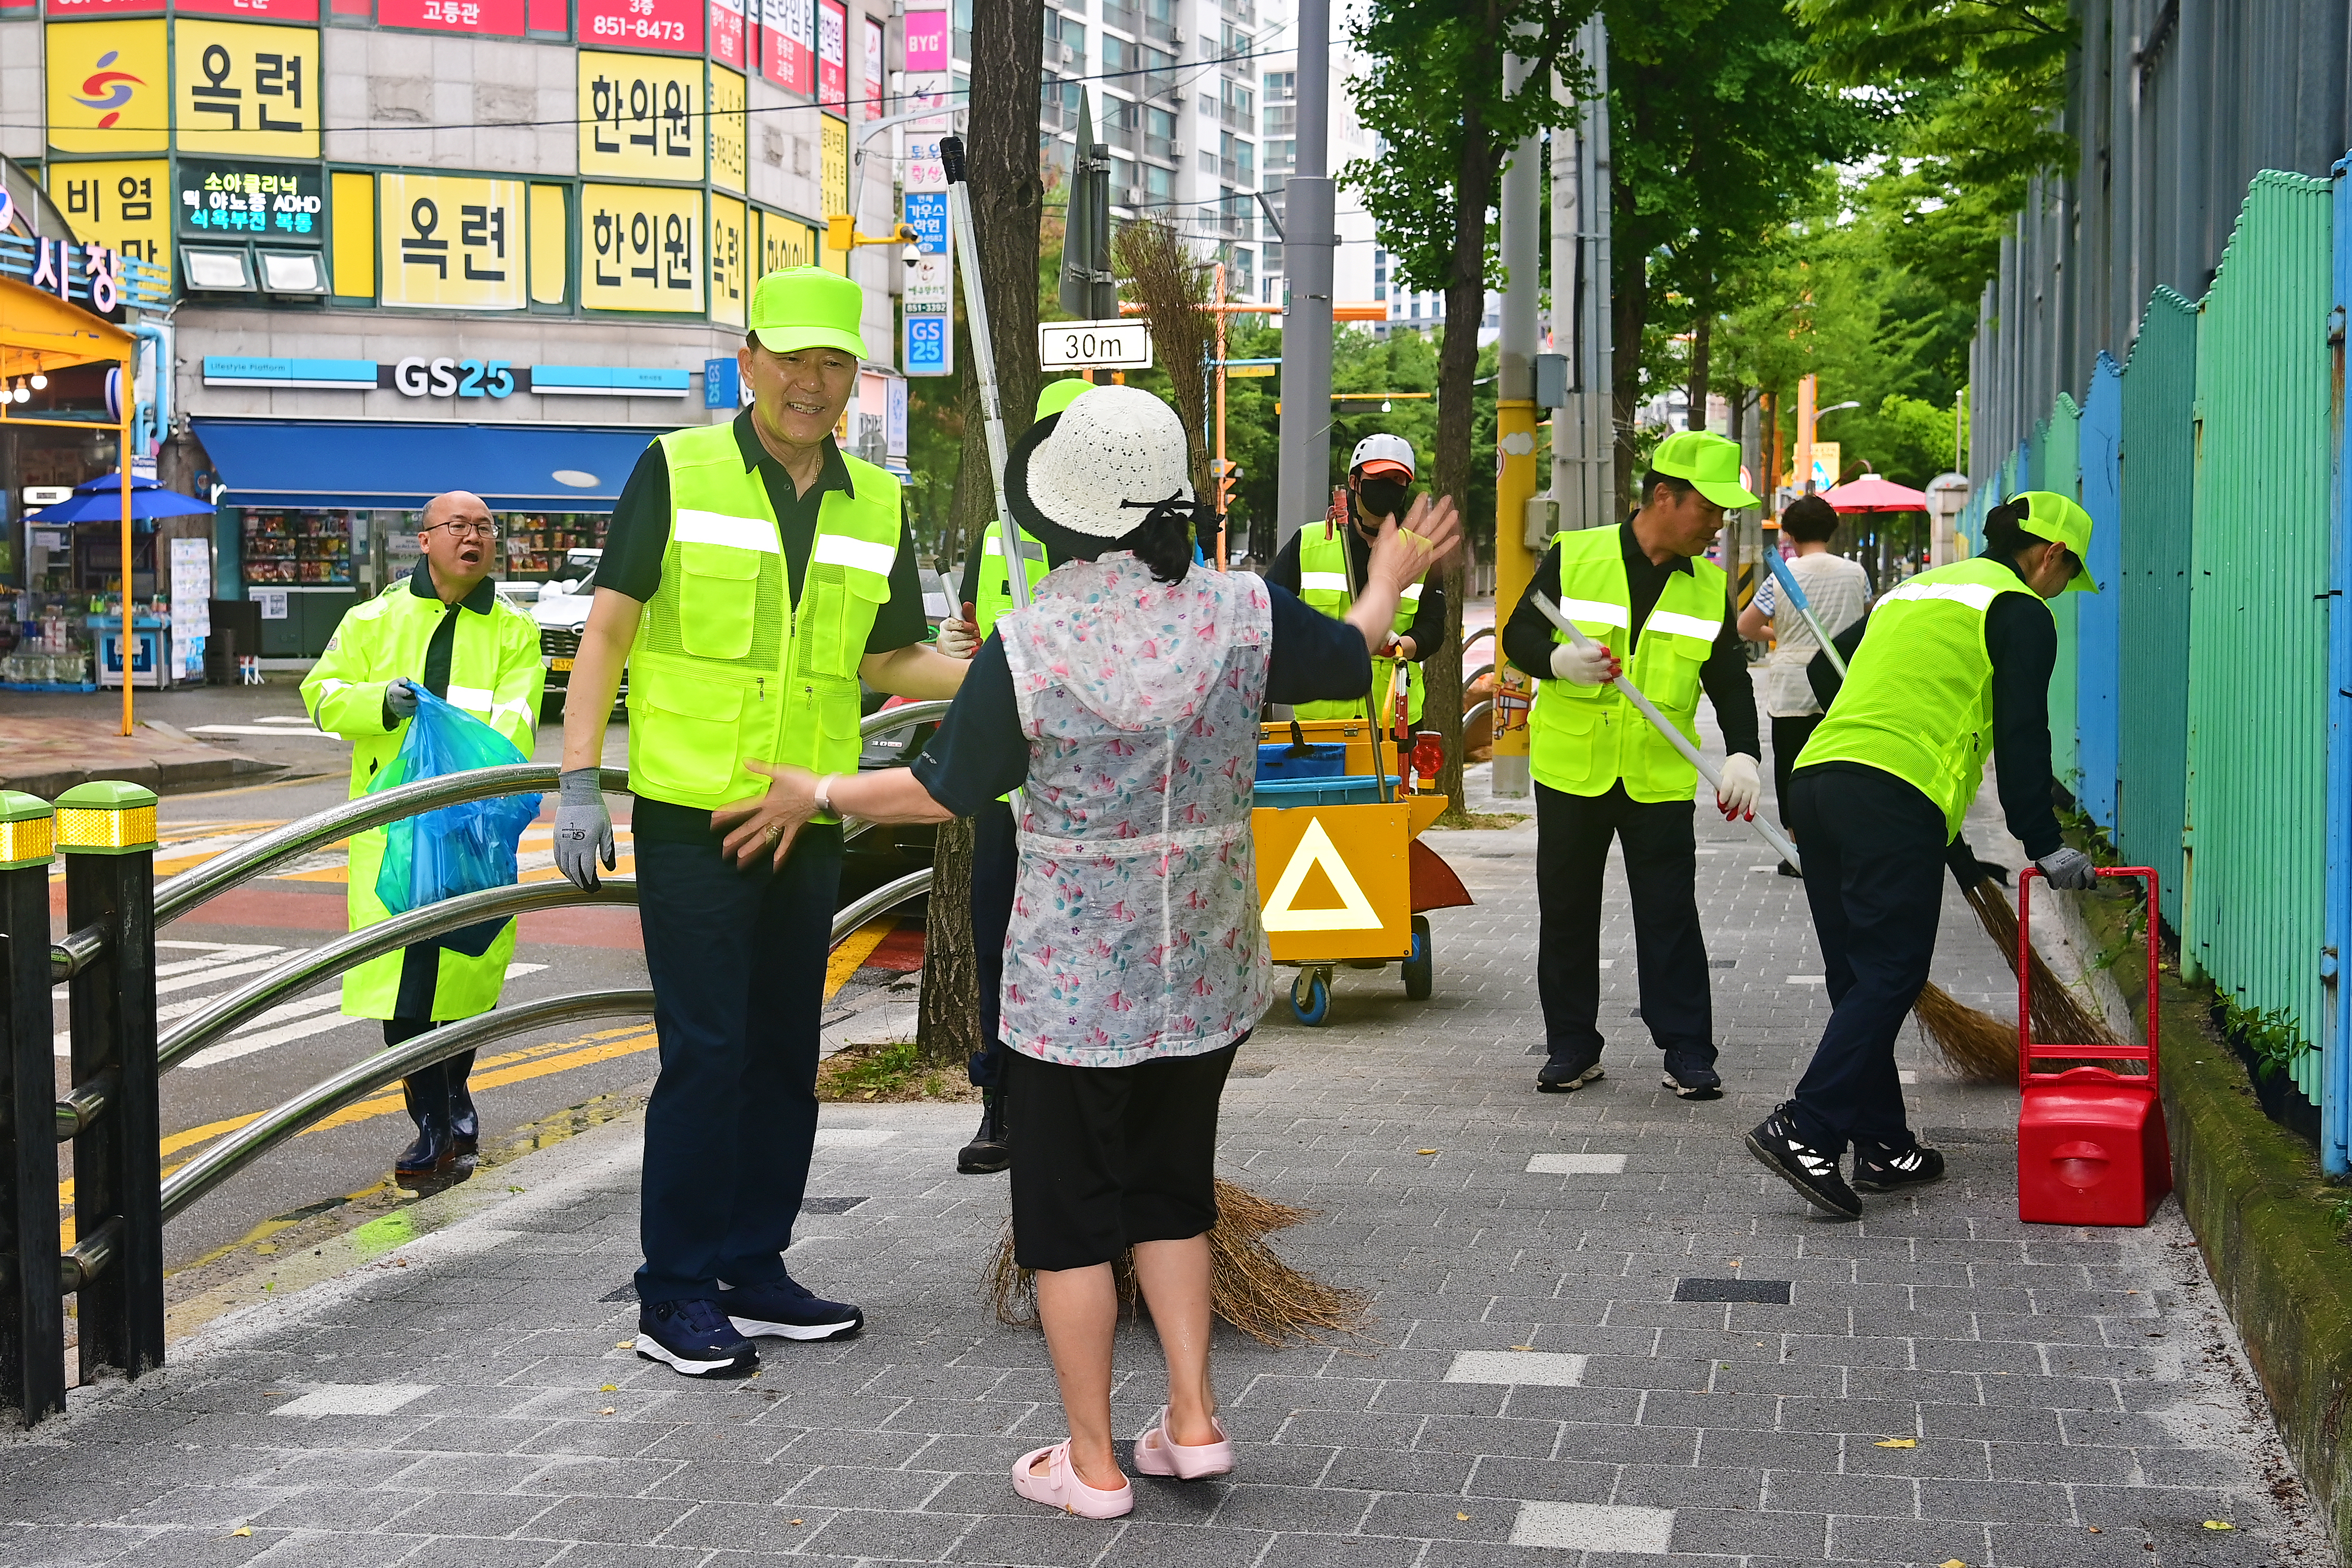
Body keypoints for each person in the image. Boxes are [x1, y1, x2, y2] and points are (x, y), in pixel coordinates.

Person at [722, 386, 1463, 1518]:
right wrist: (1389, 579)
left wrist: (817, 789)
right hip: (1207, 967)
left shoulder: (1034, 641)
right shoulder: (1246, 615)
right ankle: (1195, 1423)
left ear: (1065, 514)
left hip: (1074, 988)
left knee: (1066, 1222)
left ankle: (1093, 1462)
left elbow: (943, 789)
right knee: (1174, 1196)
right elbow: (1355, 651)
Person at [548, 267, 969, 1378]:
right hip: (694, 815)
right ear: (749, 363)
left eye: (833, 362)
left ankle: (754, 1265)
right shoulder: (677, 470)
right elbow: (608, 633)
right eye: (790, 359)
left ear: (853, 379)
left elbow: (888, 658)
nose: (810, 382)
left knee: (787, 1050)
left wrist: (990, 673)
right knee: (709, 1053)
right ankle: (673, 1293)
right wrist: (580, 778)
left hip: (808, 812)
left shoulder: (875, 499)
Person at [1746, 490, 2100, 1219]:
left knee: (1859, 975)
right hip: (1891, 795)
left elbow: (1823, 677)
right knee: (1893, 969)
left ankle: (1883, 1145)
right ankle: (1806, 1128)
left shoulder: (1914, 592)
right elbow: (2026, 737)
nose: (2064, 591)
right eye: (2070, 576)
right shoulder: (2019, 610)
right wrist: (2045, 845)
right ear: (2052, 555)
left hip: (1819, 781)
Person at [1500, 430, 1763, 1102]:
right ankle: (1571, 1046)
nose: (1717, 524)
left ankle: (1687, 1050)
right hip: (1572, 769)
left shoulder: (1708, 587)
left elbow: (1729, 680)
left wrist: (1743, 754)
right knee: (1566, 910)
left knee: (1670, 912)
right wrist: (1557, 661)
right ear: (1665, 497)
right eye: (1710, 508)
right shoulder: (1577, 555)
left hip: (1658, 777)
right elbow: (1520, 634)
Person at [302, 491, 545, 1180]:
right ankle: (436, 1123)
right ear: (425, 540)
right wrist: (380, 702)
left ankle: (452, 1102)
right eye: (459, 527)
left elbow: (516, 722)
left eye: (486, 527)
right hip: (395, 834)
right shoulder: (373, 619)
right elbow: (322, 695)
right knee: (403, 985)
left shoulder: (514, 631)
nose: (475, 538)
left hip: (471, 831)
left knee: (468, 978)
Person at [931, 376, 1091, 1175]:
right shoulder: (1000, 537)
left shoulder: (1144, 538)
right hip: (1009, 786)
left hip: (1097, 789)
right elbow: (966, 631)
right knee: (999, 942)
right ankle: (1000, 1101)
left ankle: (1089, 1099)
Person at [1264, 432, 1447, 727]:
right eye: (1378, 477)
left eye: (1397, 480)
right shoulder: (1309, 542)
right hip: (1321, 720)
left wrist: (1404, 645)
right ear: (1354, 482)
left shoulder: (1419, 552)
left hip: (1394, 719)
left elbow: (1434, 627)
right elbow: (1270, 613)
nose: (1387, 486)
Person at [1735, 494, 1870, 876]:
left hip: (1792, 684)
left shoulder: (1782, 574)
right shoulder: (1855, 574)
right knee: (1840, 764)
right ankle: (1842, 841)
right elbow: (1865, 622)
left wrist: (1779, 633)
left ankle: (1798, 849)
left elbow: (1746, 626)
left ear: (1789, 533)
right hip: (1842, 682)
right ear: (1831, 530)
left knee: (1793, 768)